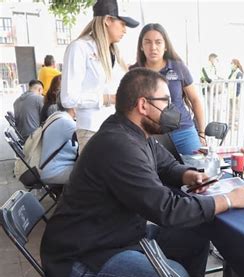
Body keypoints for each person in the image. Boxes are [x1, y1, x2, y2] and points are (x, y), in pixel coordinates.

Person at [40, 68, 244, 277]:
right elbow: (167, 210)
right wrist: (227, 199)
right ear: (143, 105)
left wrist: (188, 174)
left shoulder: (135, 134)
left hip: (116, 236)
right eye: (166, 102)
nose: (172, 109)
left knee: (194, 234)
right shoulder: (119, 146)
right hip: (80, 261)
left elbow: (168, 165)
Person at [60, 0, 139, 153]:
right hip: (92, 131)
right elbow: (68, 98)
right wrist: (107, 98)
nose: (125, 30)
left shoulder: (115, 52)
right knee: (99, 177)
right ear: (108, 20)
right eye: (122, 24)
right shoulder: (79, 48)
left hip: (118, 129)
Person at [130, 23, 206, 154]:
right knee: (154, 173)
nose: (153, 47)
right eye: (147, 42)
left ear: (165, 46)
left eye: (158, 42)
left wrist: (202, 133)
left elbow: (195, 100)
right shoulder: (134, 72)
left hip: (184, 132)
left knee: (197, 170)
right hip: (150, 135)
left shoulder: (178, 67)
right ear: (141, 46)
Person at [39, 97, 78, 185]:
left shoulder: (57, 116)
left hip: (48, 168)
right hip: (54, 171)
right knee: (90, 174)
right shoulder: (66, 122)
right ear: (73, 106)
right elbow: (88, 140)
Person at [228, 59, 243, 125]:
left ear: (236, 64)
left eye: (232, 64)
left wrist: (237, 94)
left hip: (235, 94)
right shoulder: (233, 72)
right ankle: (231, 123)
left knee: (235, 109)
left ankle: (235, 123)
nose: (231, 65)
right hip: (231, 94)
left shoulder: (238, 72)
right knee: (231, 109)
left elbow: (239, 84)